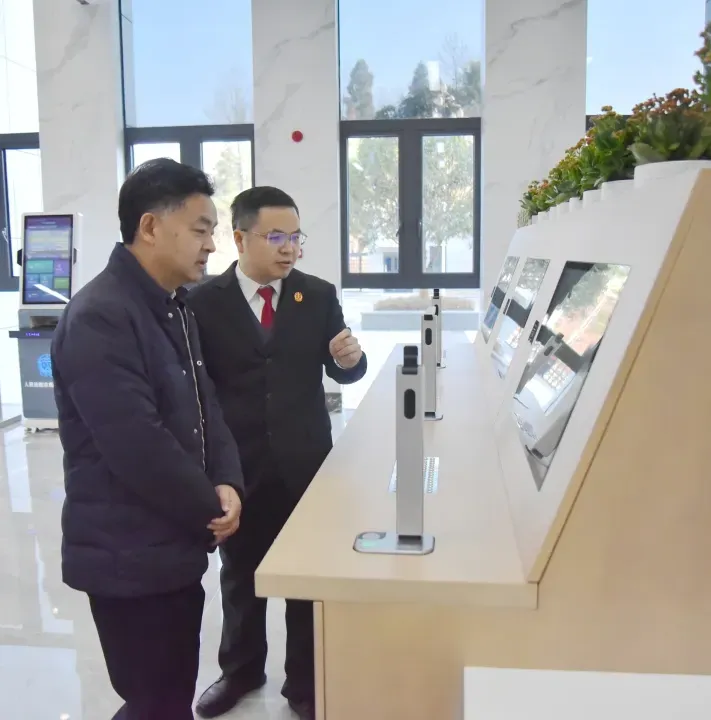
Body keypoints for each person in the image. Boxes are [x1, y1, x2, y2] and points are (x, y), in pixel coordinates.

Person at [51, 158, 245, 720]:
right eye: (201, 229)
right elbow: (137, 445)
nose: (211, 245)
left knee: (168, 695)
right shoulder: (100, 316)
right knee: (154, 700)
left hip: (171, 545)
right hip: (126, 554)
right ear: (151, 227)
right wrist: (210, 508)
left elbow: (207, 407)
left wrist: (228, 479)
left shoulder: (173, 306)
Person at [189, 187, 367, 720]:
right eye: (275, 237)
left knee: (305, 580)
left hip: (305, 465)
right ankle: (240, 671)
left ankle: (304, 684)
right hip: (237, 466)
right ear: (240, 238)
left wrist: (351, 360)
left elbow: (345, 369)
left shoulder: (317, 295)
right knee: (240, 575)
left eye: (295, 236)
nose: (289, 248)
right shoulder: (202, 302)